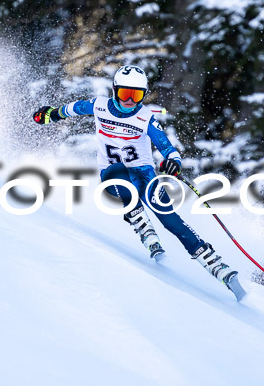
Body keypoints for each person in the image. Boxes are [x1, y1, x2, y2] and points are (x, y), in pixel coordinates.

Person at [32, 65, 239, 287]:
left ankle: (214, 264)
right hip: (113, 177)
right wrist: (52, 114)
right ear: (114, 90)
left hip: (144, 176)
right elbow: (74, 108)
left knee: (171, 220)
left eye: (136, 95)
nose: (129, 101)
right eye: (125, 94)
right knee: (119, 170)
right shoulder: (99, 106)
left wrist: (174, 163)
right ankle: (141, 224)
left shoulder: (145, 118)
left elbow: (168, 148)